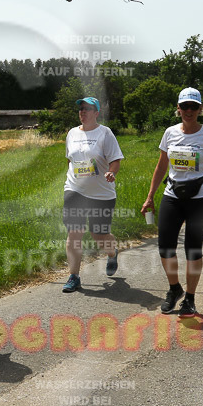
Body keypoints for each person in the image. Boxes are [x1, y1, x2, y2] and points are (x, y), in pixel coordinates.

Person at [141, 88, 203, 319]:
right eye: (185, 106)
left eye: (193, 107)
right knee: (165, 247)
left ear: (200, 109)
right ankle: (174, 289)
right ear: (178, 109)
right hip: (173, 196)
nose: (189, 111)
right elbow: (161, 167)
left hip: (202, 200)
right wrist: (150, 196)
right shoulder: (169, 133)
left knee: (192, 249)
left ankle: (189, 298)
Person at [60, 97, 124, 293]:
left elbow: (116, 160)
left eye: (88, 109)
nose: (83, 112)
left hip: (101, 194)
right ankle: (74, 276)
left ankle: (112, 252)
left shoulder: (105, 133)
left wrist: (111, 172)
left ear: (97, 113)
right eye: (81, 108)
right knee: (74, 232)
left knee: (99, 234)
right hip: (75, 190)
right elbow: (71, 161)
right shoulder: (71, 133)